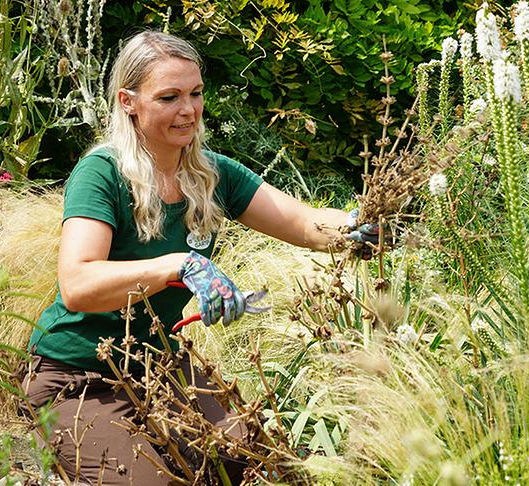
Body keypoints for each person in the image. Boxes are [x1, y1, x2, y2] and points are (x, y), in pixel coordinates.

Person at [21, 30, 367, 485]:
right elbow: (79, 285)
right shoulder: (101, 174)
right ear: (129, 101)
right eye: (169, 97)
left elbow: (303, 224)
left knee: (254, 465)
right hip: (74, 375)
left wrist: (361, 225)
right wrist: (179, 265)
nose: (188, 110)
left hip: (157, 363)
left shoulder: (211, 174)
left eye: (196, 93)